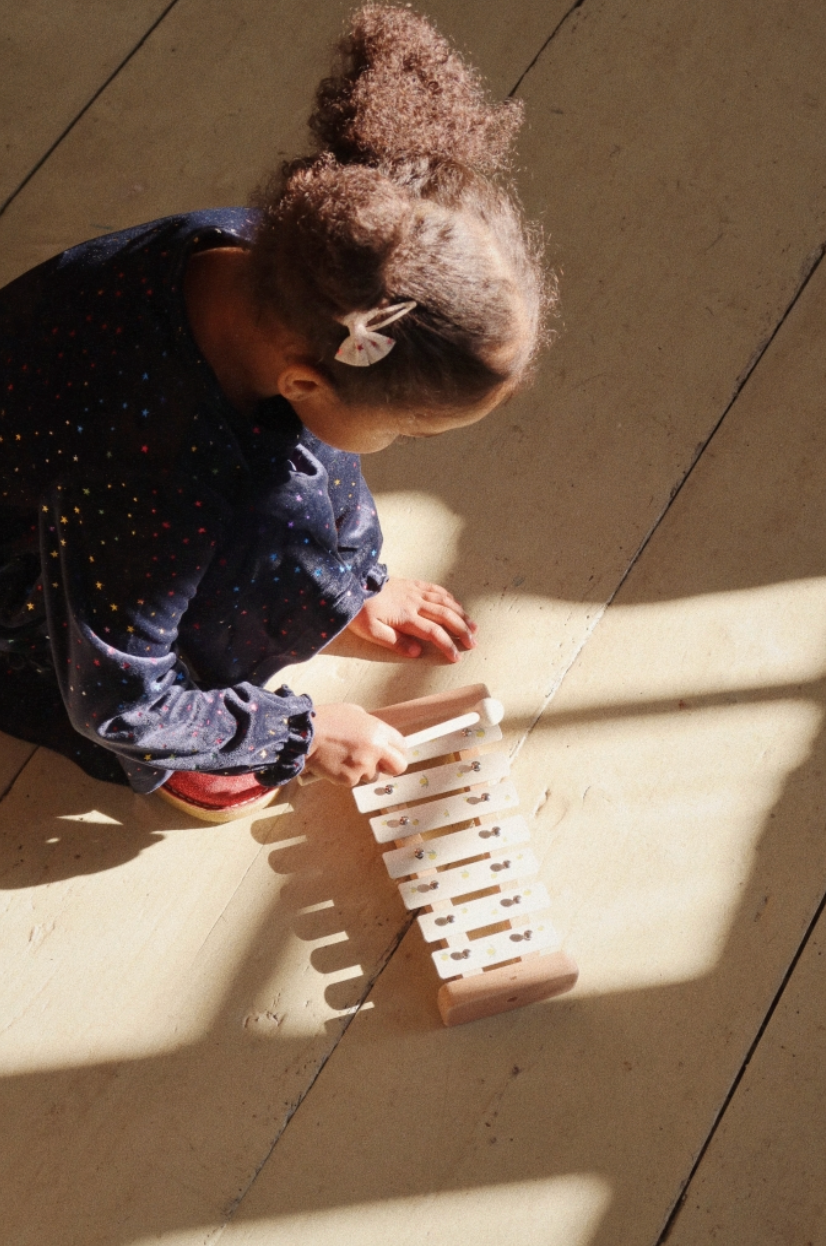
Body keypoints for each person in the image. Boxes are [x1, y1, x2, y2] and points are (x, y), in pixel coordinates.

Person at [0, 4, 551, 821]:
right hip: (30, 560)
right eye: (405, 428)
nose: (395, 445)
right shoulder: (152, 488)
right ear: (303, 382)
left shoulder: (298, 264)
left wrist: (351, 585)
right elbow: (114, 698)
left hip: (106, 469)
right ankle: (202, 738)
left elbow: (323, 448)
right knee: (164, 626)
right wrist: (293, 730)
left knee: (295, 476)